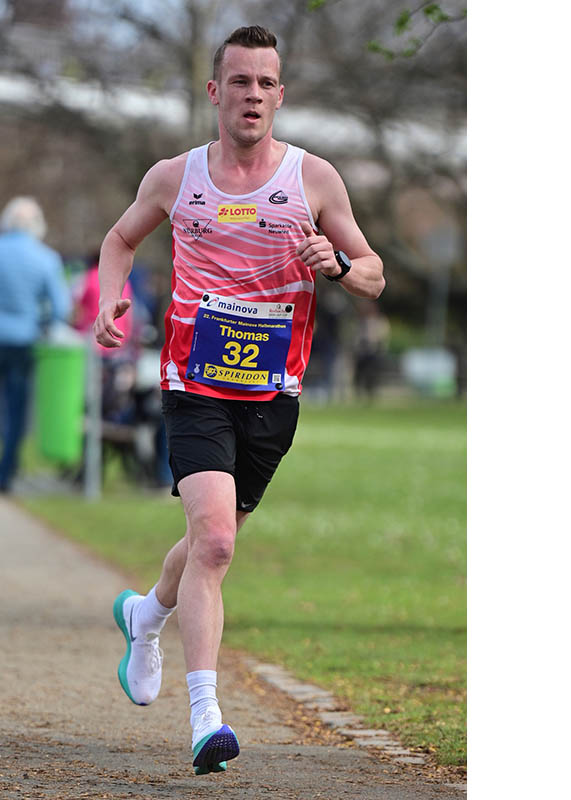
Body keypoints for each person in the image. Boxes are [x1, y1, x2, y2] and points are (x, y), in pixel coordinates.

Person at [93, 25, 384, 775]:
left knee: (207, 543)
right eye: (240, 81)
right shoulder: (175, 177)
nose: (253, 94)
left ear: (280, 95)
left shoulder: (314, 180)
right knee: (217, 541)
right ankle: (205, 718)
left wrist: (340, 261)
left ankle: (145, 614)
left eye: (266, 83)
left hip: (270, 395)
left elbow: (374, 272)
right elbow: (120, 239)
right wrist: (111, 301)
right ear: (215, 91)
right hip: (193, 385)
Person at [0, 196, 71, 492]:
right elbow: (60, 309)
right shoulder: (45, 258)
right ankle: (6, 473)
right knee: (16, 410)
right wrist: (41, 323)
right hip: (23, 341)